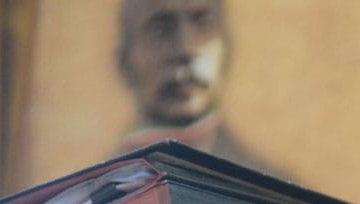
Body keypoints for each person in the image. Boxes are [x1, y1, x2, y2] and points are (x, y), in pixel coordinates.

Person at [115, 0, 288, 177]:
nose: (186, 49)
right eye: (160, 30)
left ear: (227, 49)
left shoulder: (271, 188)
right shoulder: (102, 188)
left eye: (202, 24)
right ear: (125, 62)